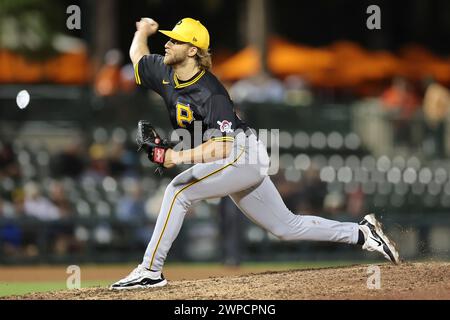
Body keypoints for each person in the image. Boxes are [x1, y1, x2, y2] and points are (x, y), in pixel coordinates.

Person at [110, 17, 400, 290]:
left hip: (240, 153)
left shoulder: (211, 92)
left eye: (175, 40)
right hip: (235, 158)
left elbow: (222, 146)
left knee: (178, 191)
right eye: (169, 39)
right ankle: (362, 233)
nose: (168, 44)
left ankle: (150, 270)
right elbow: (137, 56)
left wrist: (175, 157)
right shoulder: (163, 70)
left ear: (192, 50)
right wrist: (142, 32)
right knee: (286, 226)